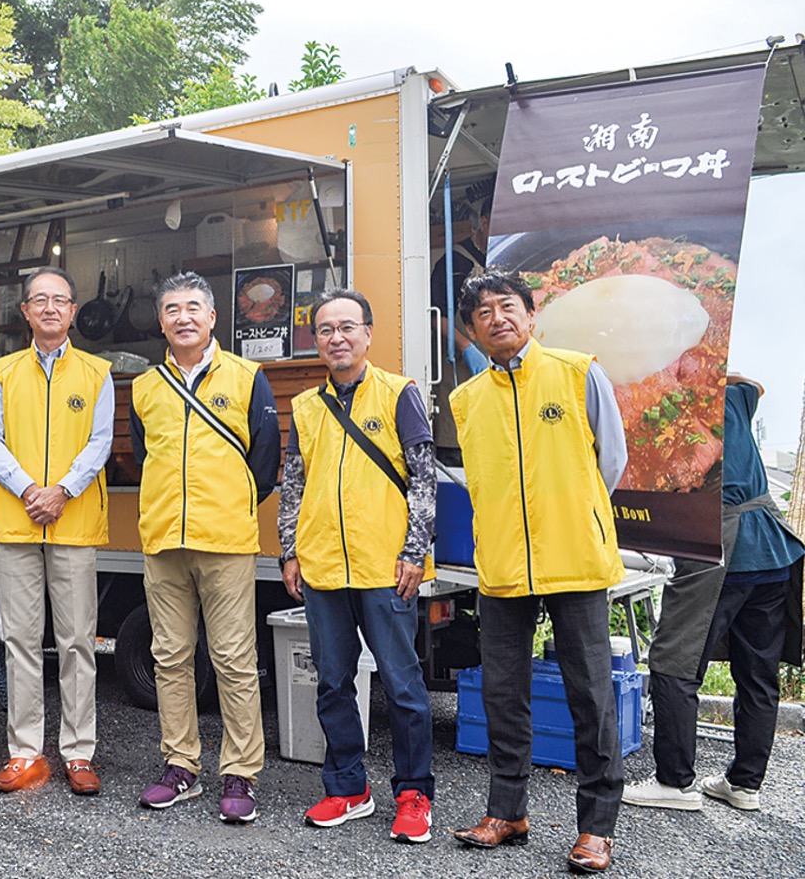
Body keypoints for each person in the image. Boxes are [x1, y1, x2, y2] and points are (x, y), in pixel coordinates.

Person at [448, 272, 628, 874]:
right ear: (472, 329)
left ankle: (597, 827)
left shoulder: (578, 373)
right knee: (503, 693)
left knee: (591, 695)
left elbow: (612, 459)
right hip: (500, 566)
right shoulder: (467, 399)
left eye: (507, 307)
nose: (496, 317)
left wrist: (574, 516)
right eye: (483, 312)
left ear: (531, 314)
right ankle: (507, 811)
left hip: (574, 560)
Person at [278, 288, 438, 843]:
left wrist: (415, 551)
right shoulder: (305, 407)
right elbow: (293, 484)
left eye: (348, 327)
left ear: (368, 334)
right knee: (331, 683)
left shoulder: (399, 394)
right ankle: (347, 788)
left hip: (386, 567)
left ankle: (414, 793)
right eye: (326, 329)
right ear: (315, 340)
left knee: (404, 687)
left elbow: (423, 478)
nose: (337, 337)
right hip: (323, 569)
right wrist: (289, 550)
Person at [129, 271, 280, 823]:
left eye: (194, 306)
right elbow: (147, 458)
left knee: (234, 659)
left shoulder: (247, 377)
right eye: (172, 308)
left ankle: (240, 773)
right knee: (169, 657)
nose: (183, 316)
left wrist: (230, 504)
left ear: (213, 317)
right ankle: (181, 766)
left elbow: (265, 460)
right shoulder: (145, 389)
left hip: (227, 540)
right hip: (163, 538)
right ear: (162, 321)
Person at [622, 373, 804, 813]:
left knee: (673, 661)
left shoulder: (663, 409)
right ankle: (744, 785)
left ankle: (674, 782)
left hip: (719, 548)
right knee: (758, 673)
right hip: (772, 551)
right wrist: (719, 372)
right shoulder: (731, 394)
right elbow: (758, 385)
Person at [0, 267, 114, 796]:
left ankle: (79, 752)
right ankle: (25, 752)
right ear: (26, 312)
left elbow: (100, 443)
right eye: (40, 300)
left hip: (74, 521)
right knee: (20, 640)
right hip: (16, 520)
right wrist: (29, 489)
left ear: (74, 311)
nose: (51, 308)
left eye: (60, 300)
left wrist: (61, 491)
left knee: (78, 640)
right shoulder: (4, 372)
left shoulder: (97, 373)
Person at [430, 191, 490, 467]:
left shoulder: (502, 258)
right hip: (458, 372)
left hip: (496, 371)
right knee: (460, 441)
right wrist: (467, 348)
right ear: (484, 223)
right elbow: (433, 314)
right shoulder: (456, 262)